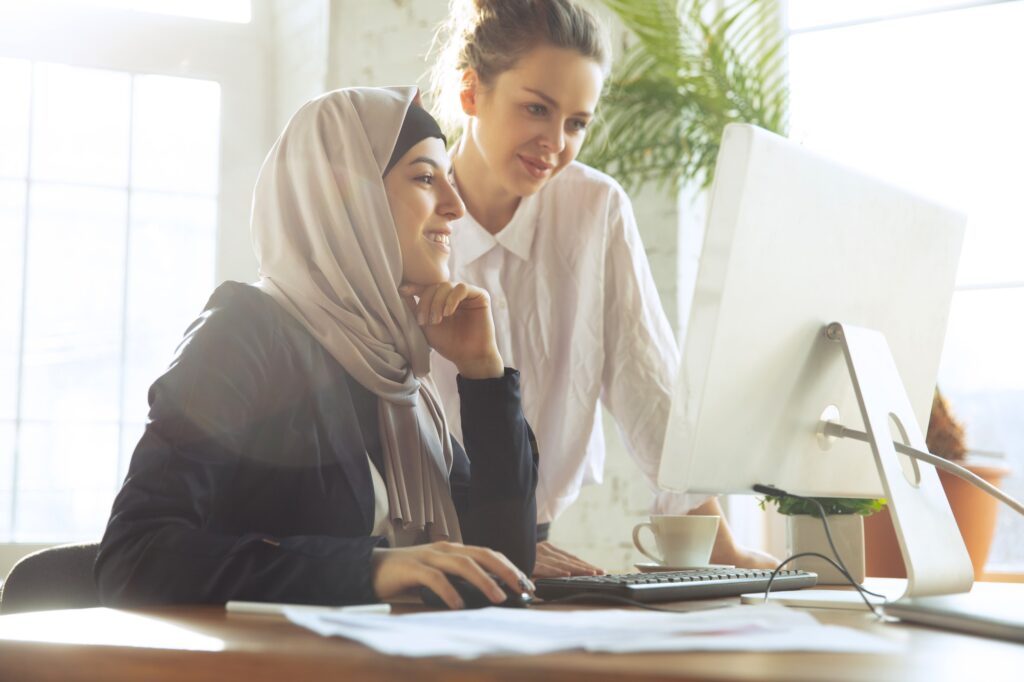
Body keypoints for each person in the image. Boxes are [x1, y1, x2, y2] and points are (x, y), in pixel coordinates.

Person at [94, 87, 538, 610]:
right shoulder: (245, 331)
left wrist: (482, 373)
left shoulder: (396, 370)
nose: (456, 206)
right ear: (348, 198)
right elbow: (135, 558)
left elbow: (503, 567)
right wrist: (368, 570)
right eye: (424, 177)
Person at [427, 0, 777, 577]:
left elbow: (651, 385)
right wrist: (497, 541)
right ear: (471, 93)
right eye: (536, 108)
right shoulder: (409, 212)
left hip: (533, 547)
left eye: (576, 123)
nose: (555, 142)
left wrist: (723, 551)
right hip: (420, 550)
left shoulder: (594, 209)